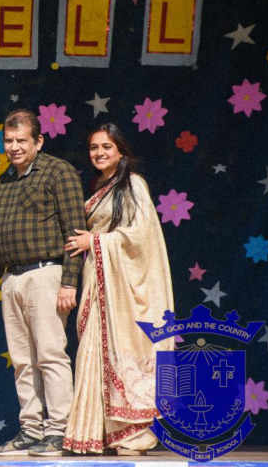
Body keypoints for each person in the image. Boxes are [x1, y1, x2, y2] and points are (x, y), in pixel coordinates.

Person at [62, 123, 174, 456]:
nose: (99, 153)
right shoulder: (101, 187)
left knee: (119, 350)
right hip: (99, 280)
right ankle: (94, 432)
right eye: (94, 147)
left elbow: (141, 236)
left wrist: (95, 241)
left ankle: (131, 435)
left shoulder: (133, 184)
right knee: (92, 352)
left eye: (106, 147)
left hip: (122, 286)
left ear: (121, 151)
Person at [0, 109, 86, 457]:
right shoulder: (4, 181)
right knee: (22, 360)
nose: (13, 147)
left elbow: (75, 233)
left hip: (46, 274)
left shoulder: (58, 171)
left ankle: (59, 431)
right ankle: (31, 429)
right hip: (12, 278)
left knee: (50, 354)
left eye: (21, 140)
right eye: (8, 141)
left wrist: (69, 283)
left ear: (38, 141)